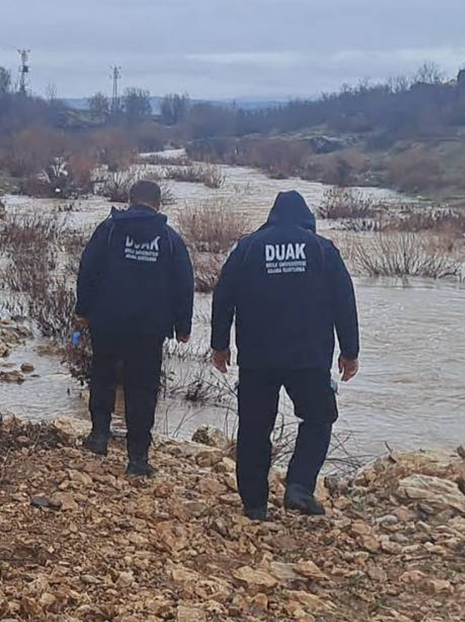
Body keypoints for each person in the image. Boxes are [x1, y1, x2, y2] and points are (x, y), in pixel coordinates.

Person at [210, 190, 360, 521]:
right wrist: (350, 352)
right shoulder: (322, 250)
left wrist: (219, 344)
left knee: (253, 427)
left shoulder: (248, 248)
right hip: (308, 357)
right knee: (319, 419)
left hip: (256, 358)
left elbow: (223, 297)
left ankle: (254, 504)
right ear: (307, 218)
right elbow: (344, 302)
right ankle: (299, 486)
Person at [74, 180, 194, 476]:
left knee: (102, 376)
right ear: (159, 205)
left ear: (129, 201)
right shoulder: (168, 238)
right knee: (142, 389)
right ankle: (138, 458)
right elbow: (184, 283)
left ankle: (99, 437)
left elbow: (88, 269)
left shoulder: (110, 230)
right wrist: (183, 325)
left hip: (107, 320)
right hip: (150, 328)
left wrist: (83, 310)